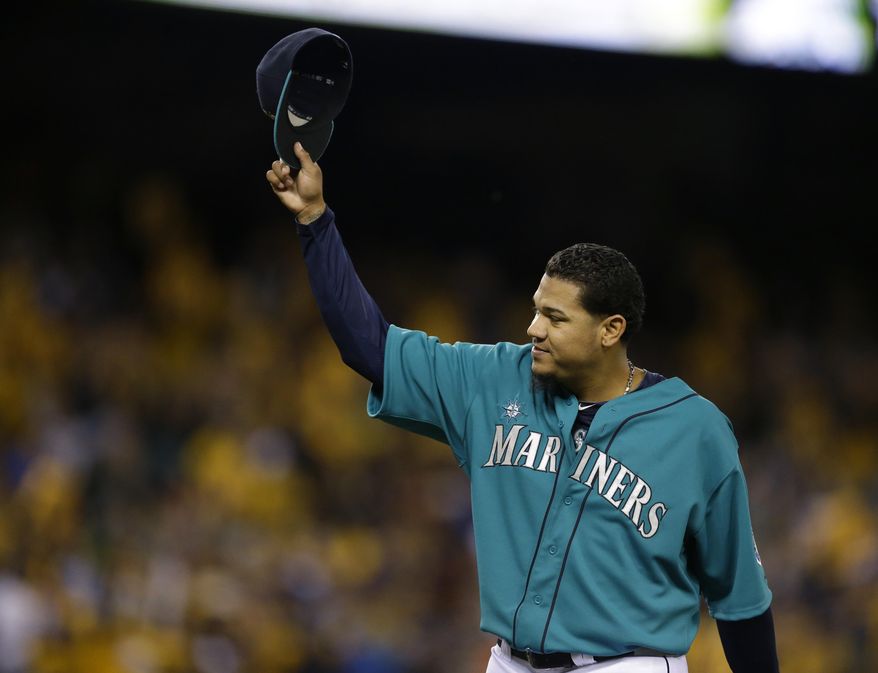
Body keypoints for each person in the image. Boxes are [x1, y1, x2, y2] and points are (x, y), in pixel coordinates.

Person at [265, 142, 780, 673]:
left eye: (555, 319)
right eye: (536, 311)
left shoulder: (694, 430)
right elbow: (368, 346)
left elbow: (740, 599)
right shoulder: (493, 379)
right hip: (510, 662)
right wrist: (314, 220)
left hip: (626, 664)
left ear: (611, 330)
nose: (533, 329)